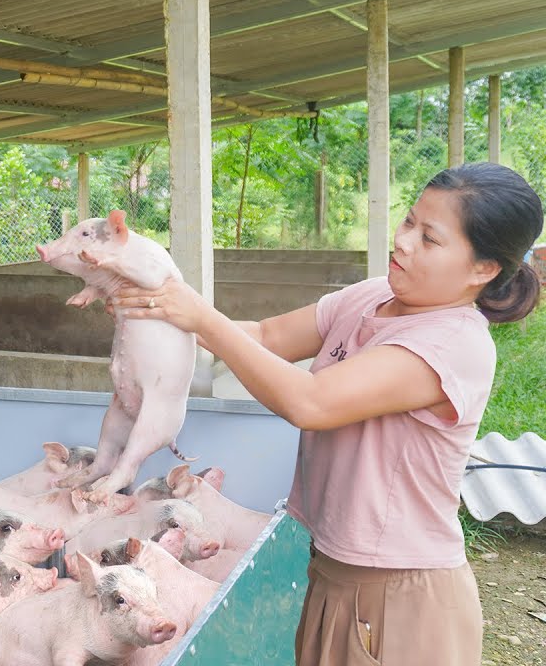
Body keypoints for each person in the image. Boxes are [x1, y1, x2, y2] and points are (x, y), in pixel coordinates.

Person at [113, 162, 543, 665]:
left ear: (483, 269)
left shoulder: (452, 343)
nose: (403, 242)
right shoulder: (374, 297)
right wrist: (155, 315)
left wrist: (199, 314)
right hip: (334, 568)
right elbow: (268, 337)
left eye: (429, 238)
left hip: (397, 591)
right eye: (408, 222)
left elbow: (312, 402)